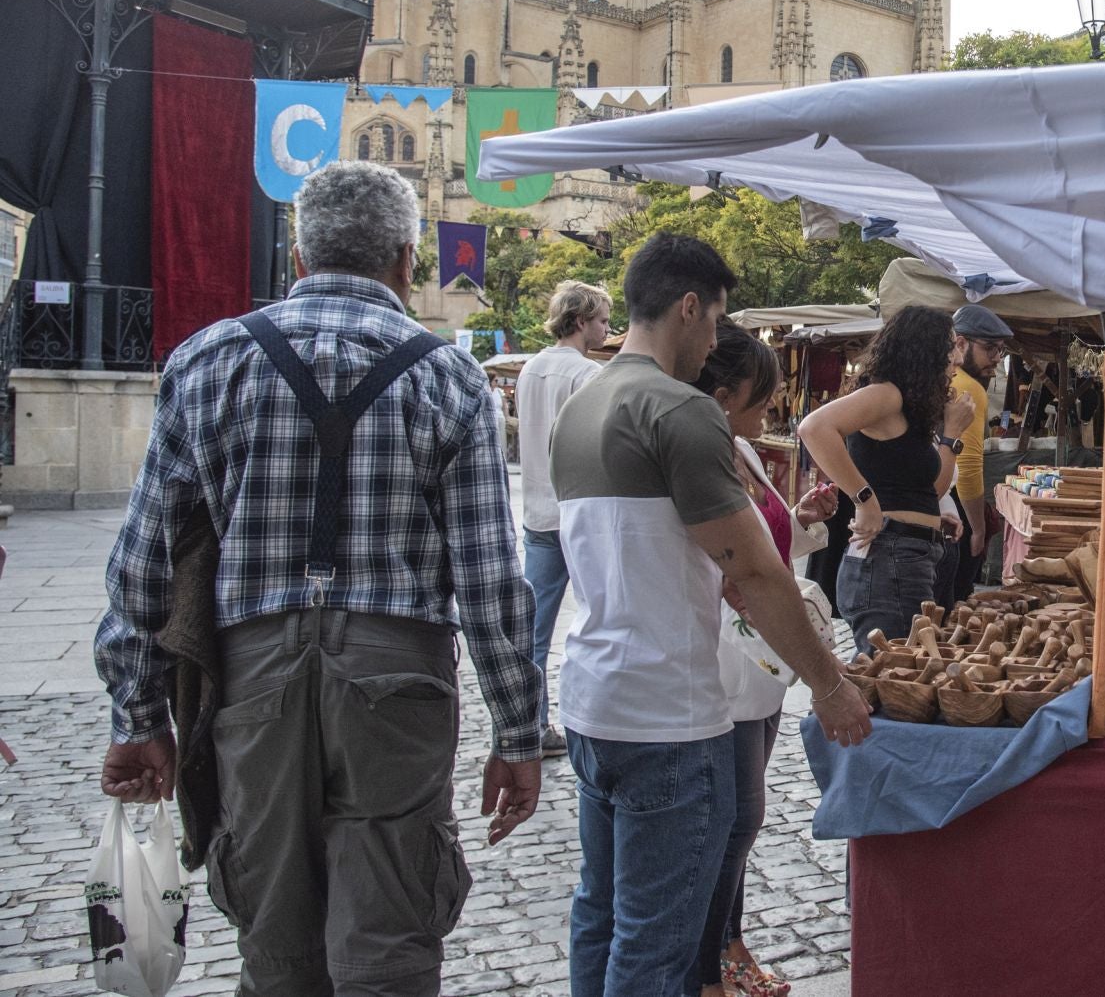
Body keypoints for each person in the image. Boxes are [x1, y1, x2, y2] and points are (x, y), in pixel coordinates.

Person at [95, 160, 544, 996]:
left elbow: (144, 561)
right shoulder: (452, 379)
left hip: (251, 679)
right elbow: (490, 581)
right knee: (389, 940)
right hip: (398, 680)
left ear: (298, 261)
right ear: (408, 262)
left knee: (275, 939)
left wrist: (138, 712)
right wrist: (518, 733)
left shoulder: (208, 362)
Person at [548, 232, 870, 997]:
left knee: (601, 916)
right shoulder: (680, 408)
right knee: (656, 947)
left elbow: (662, 549)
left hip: (595, 700)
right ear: (688, 307)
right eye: (717, 319)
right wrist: (829, 687)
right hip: (667, 713)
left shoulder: (579, 403)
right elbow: (753, 570)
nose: (717, 340)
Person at [693, 319, 839, 997]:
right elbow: (731, 566)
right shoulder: (699, 456)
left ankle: (729, 941)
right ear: (723, 395)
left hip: (763, 660)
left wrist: (805, 517)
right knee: (736, 815)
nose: (768, 413)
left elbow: (772, 548)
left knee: (741, 818)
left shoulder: (745, 453)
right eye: (760, 398)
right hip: (727, 661)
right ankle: (715, 954)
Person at [799, 305, 973, 654]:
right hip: (890, 559)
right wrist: (865, 501)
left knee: (901, 678)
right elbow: (814, 428)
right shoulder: (887, 393)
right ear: (924, 351)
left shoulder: (907, 406)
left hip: (908, 557)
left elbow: (930, 489)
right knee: (894, 679)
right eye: (950, 347)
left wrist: (951, 435)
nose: (956, 360)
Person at [517, 279, 613, 758]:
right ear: (580, 321)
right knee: (600, 622)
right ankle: (594, 719)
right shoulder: (587, 375)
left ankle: (530, 724)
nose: (607, 329)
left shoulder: (530, 368)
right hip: (578, 515)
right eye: (601, 320)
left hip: (538, 512)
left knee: (535, 629)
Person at [936, 304, 1011, 607]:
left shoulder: (942, 381)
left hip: (934, 507)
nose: (996, 358)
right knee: (952, 607)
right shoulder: (970, 389)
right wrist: (978, 528)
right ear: (961, 343)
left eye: (1001, 350)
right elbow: (967, 466)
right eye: (990, 348)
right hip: (954, 511)